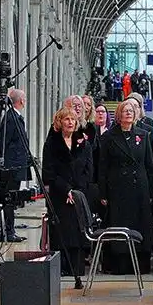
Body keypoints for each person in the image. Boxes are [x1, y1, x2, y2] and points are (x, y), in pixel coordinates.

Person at [96, 101, 153, 274]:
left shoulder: (143, 135)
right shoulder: (109, 137)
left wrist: (152, 191)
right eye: (125, 111)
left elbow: (149, 165)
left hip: (140, 187)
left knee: (141, 224)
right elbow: (103, 167)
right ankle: (119, 264)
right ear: (119, 115)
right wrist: (103, 192)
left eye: (131, 111)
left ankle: (141, 263)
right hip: (118, 187)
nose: (128, 113)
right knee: (120, 223)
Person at [40, 108, 94, 289]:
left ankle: (77, 269)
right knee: (62, 230)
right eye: (66, 119)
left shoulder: (83, 143)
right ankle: (62, 267)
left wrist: (77, 191)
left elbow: (88, 169)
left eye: (73, 119)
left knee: (78, 230)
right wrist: (66, 190)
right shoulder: (52, 143)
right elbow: (48, 172)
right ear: (59, 122)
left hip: (78, 194)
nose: (70, 122)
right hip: (59, 194)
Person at [0, 88, 33, 242]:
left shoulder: (14, 117)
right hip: (12, 166)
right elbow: (3, 141)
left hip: (15, 164)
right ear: (21, 101)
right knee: (9, 198)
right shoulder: (12, 118)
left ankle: (9, 230)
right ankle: (9, 231)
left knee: (11, 198)